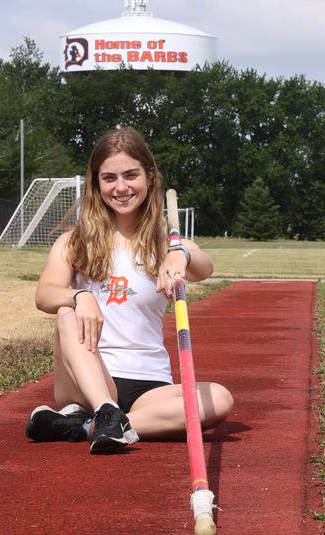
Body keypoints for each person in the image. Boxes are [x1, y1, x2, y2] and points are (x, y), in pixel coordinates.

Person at [26, 127, 234, 454]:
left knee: (219, 399)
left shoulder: (168, 244)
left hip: (149, 385)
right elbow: (45, 294)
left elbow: (205, 267)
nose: (121, 187)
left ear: (149, 177)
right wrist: (80, 296)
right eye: (109, 178)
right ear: (96, 183)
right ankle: (104, 410)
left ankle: (88, 424)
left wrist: (183, 254)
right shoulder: (74, 242)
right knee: (67, 314)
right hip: (88, 377)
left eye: (130, 175)